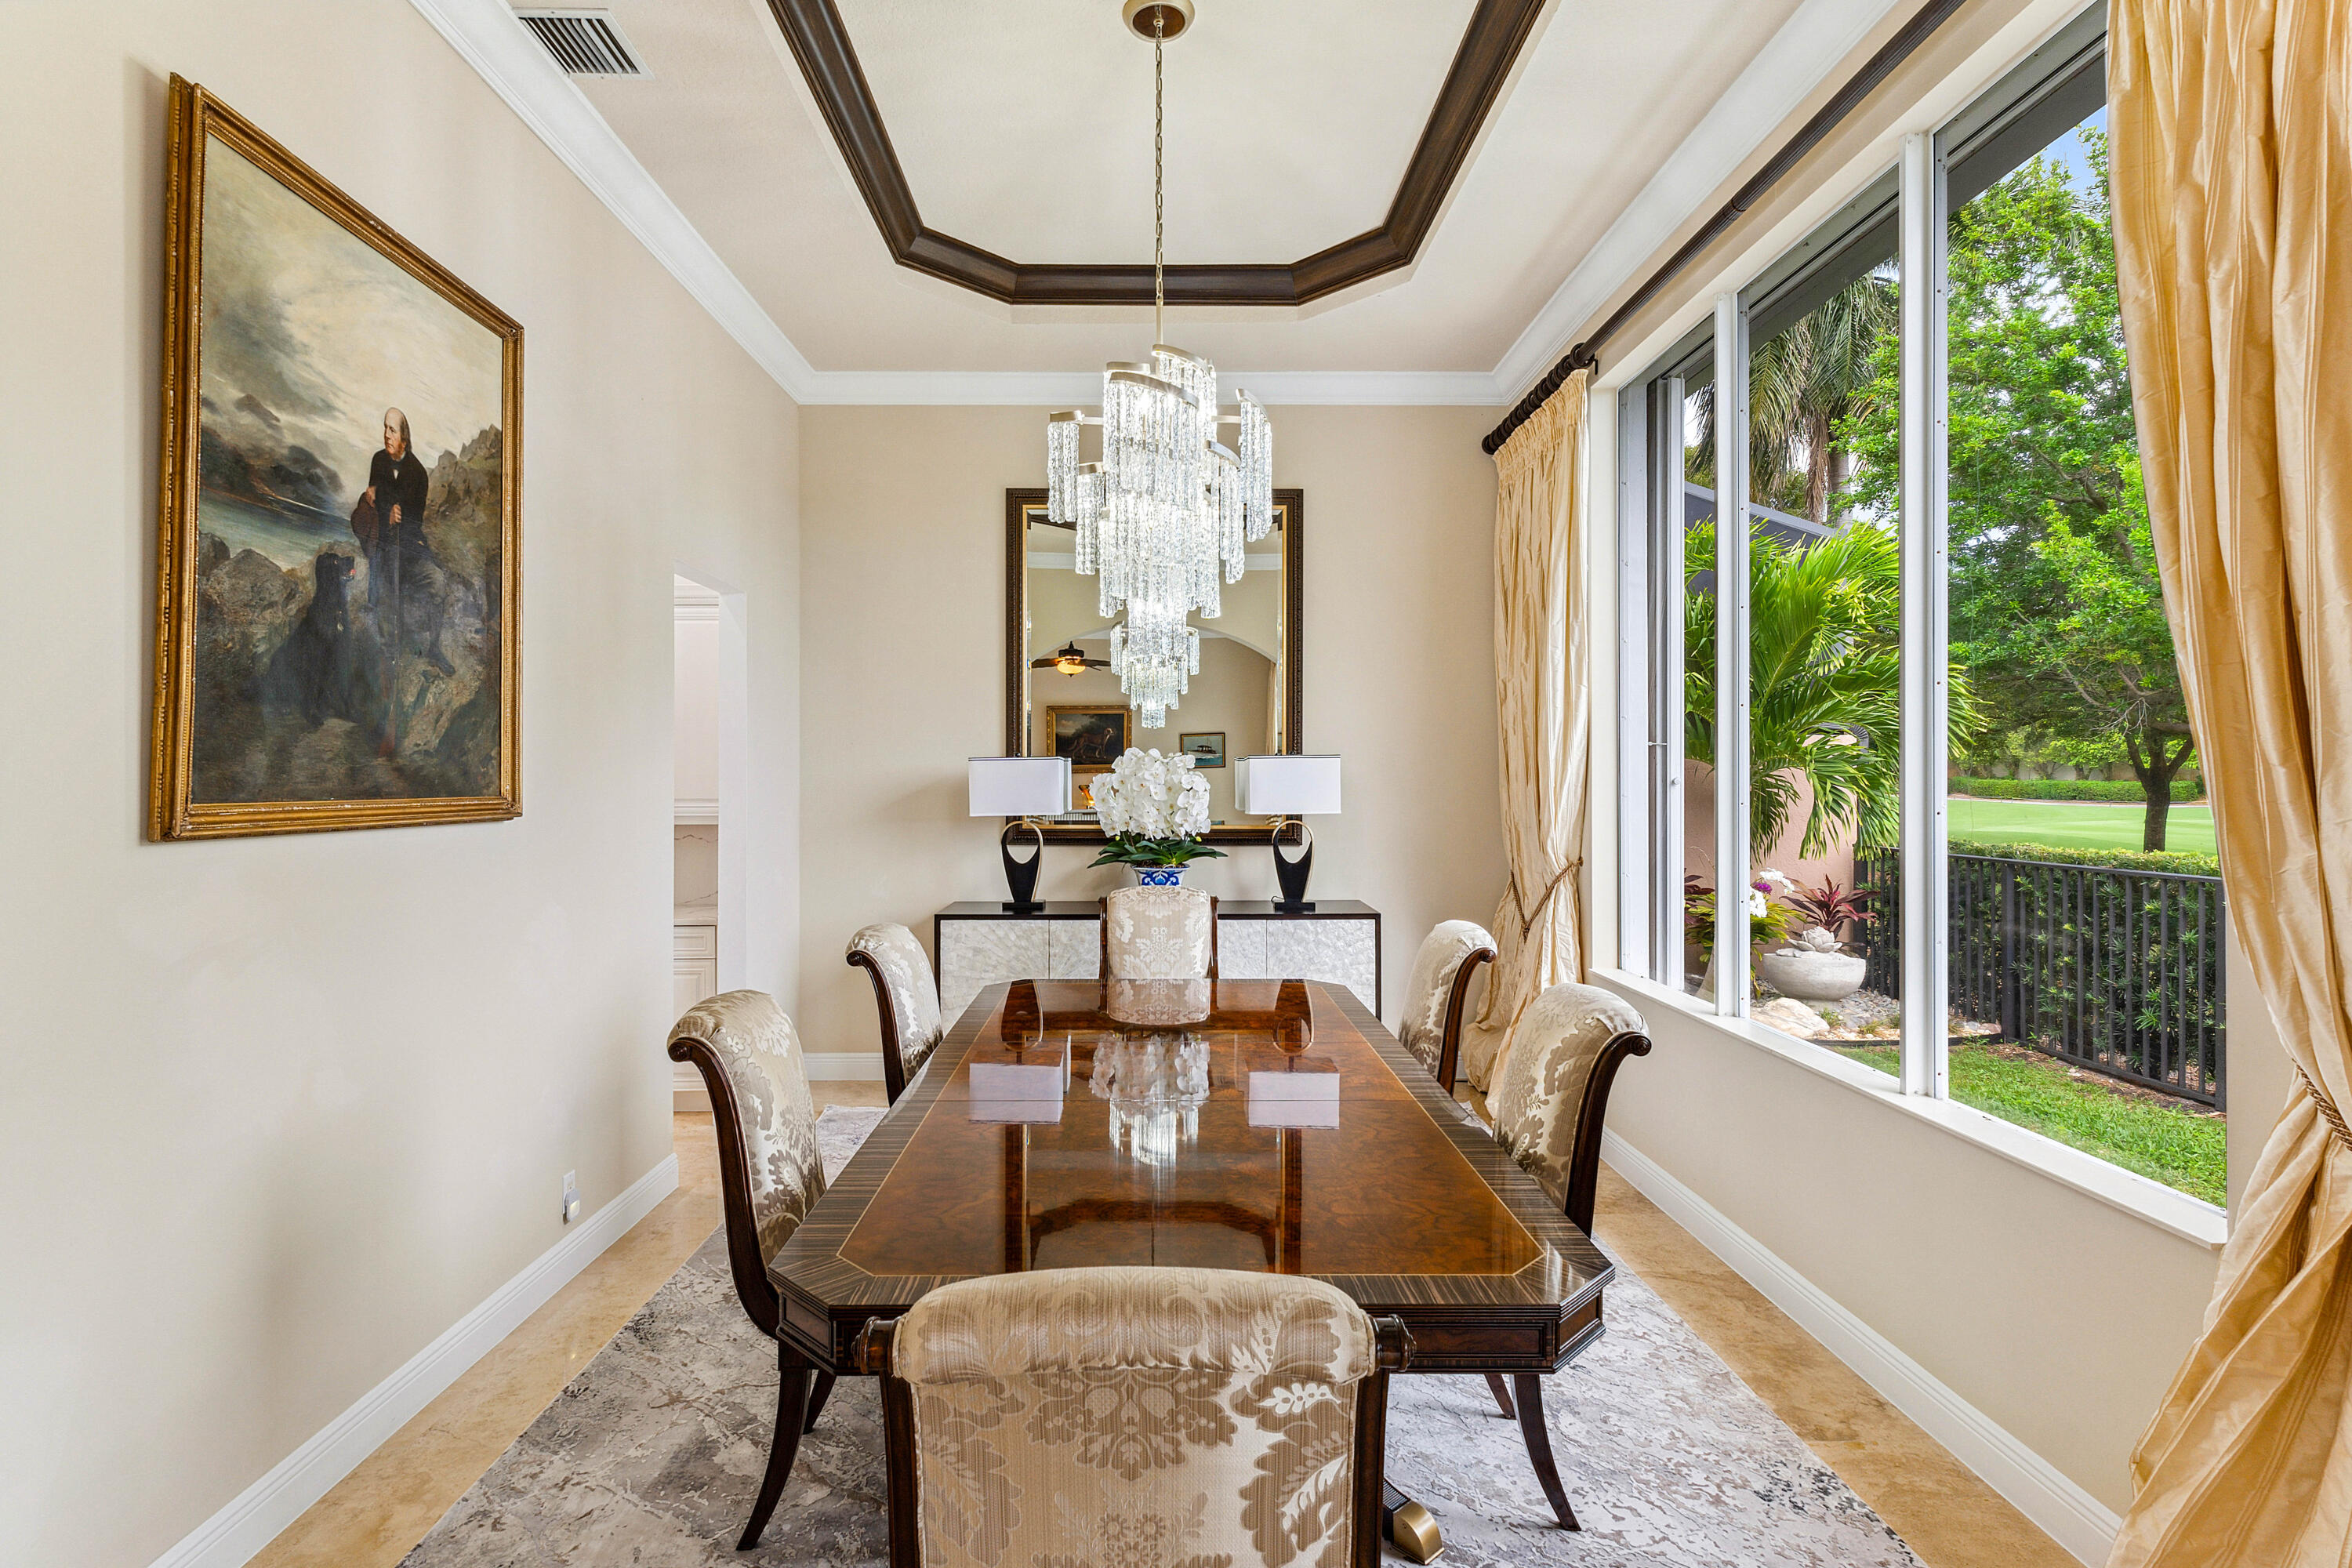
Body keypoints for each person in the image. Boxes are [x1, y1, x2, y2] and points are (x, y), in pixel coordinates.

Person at [359, 408, 450, 673]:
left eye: (392, 430)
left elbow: (414, 522)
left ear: (404, 438)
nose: (386, 435)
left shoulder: (418, 474)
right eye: (385, 428)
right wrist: (378, 500)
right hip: (385, 548)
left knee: (438, 582)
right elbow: (375, 494)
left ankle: (434, 649)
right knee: (383, 595)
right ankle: (389, 657)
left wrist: (399, 515)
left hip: (410, 547)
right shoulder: (378, 460)